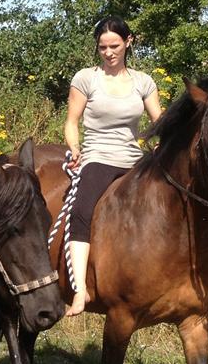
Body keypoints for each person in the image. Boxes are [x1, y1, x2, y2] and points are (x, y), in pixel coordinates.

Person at [62, 18, 163, 316]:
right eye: (102, 47)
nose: (108, 53)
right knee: (81, 211)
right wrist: (75, 147)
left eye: (114, 46)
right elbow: (71, 121)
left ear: (128, 42)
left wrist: (162, 142)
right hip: (98, 157)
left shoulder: (143, 82)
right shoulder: (86, 78)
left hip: (135, 160)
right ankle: (80, 289)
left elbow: (159, 121)